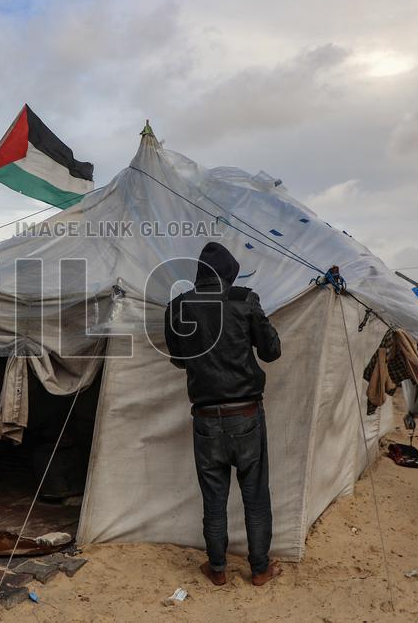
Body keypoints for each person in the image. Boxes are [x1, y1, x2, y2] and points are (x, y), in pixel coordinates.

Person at [165, 242, 282, 587]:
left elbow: (179, 358)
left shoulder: (178, 306)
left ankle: (217, 569)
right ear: (230, 273)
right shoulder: (244, 300)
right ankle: (259, 570)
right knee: (255, 495)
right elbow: (272, 351)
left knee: (214, 497)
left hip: (204, 416)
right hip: (245, 412)